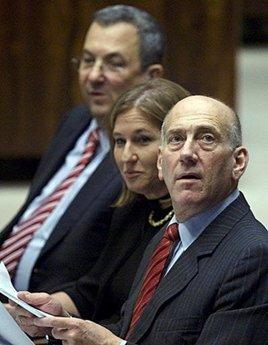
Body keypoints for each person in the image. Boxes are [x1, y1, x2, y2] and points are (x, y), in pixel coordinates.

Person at [15, 95, 268, 344]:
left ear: (238, 161)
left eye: (207, 138)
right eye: (176, 140)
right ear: (161, 162)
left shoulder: (252, 255)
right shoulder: (169, 235)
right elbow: (132, 332)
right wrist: (64, 324)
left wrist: (107, 344)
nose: (187, 153)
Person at [0, 5, 165, 294]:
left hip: (45, 314)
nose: (93, 76)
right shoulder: (76, 121)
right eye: (88, 60)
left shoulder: (143, 160)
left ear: (151, 77)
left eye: (113, 63)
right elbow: (29, 216)